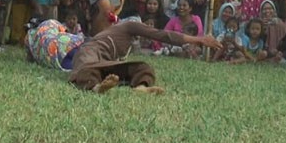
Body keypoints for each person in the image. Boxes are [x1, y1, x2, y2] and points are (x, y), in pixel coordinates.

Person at [27, 18, 221, 93]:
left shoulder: (125, 41)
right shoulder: (127, 26)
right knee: (87, 68)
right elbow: (163, 35)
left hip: (105, 62)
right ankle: (95, 87)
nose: (145, 28)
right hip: (90, 53)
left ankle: (142, 87)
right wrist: (199, 40)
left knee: (143, 67)